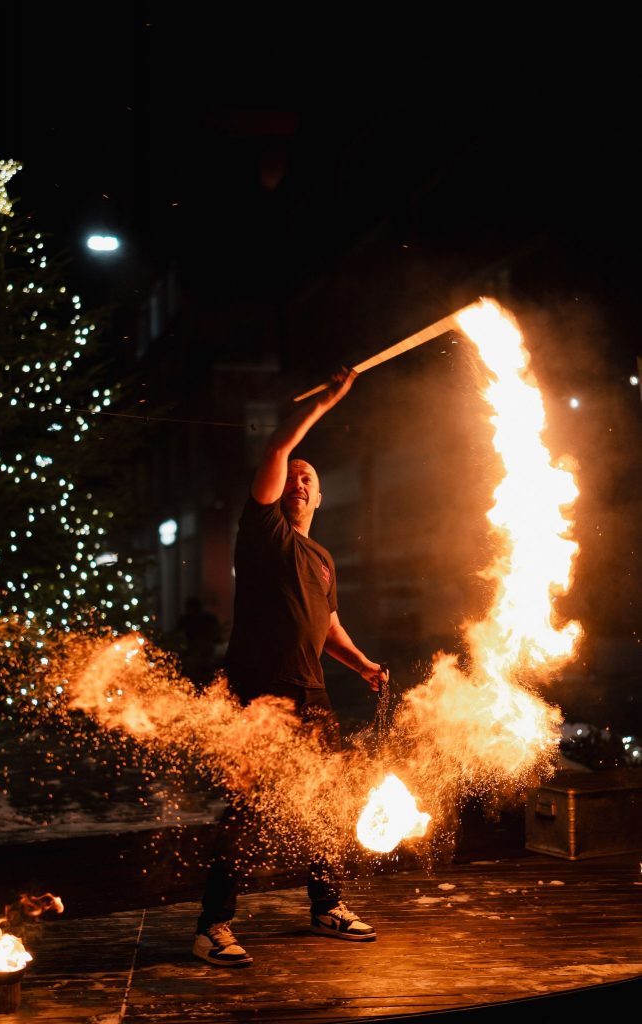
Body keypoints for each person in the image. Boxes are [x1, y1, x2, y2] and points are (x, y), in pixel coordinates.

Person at [192, 367, 388, 968]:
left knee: (322, 800)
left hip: (312, 692)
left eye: (310, 480)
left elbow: (325, 624)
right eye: (294, 477)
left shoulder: (323, 558)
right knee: (251, 808)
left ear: (321, 498)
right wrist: (326, 401)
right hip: (259, 693)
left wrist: (362, 665)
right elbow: (279, 446)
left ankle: (325, 905)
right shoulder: (263, 532)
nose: (300, 483)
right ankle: (212, 927)